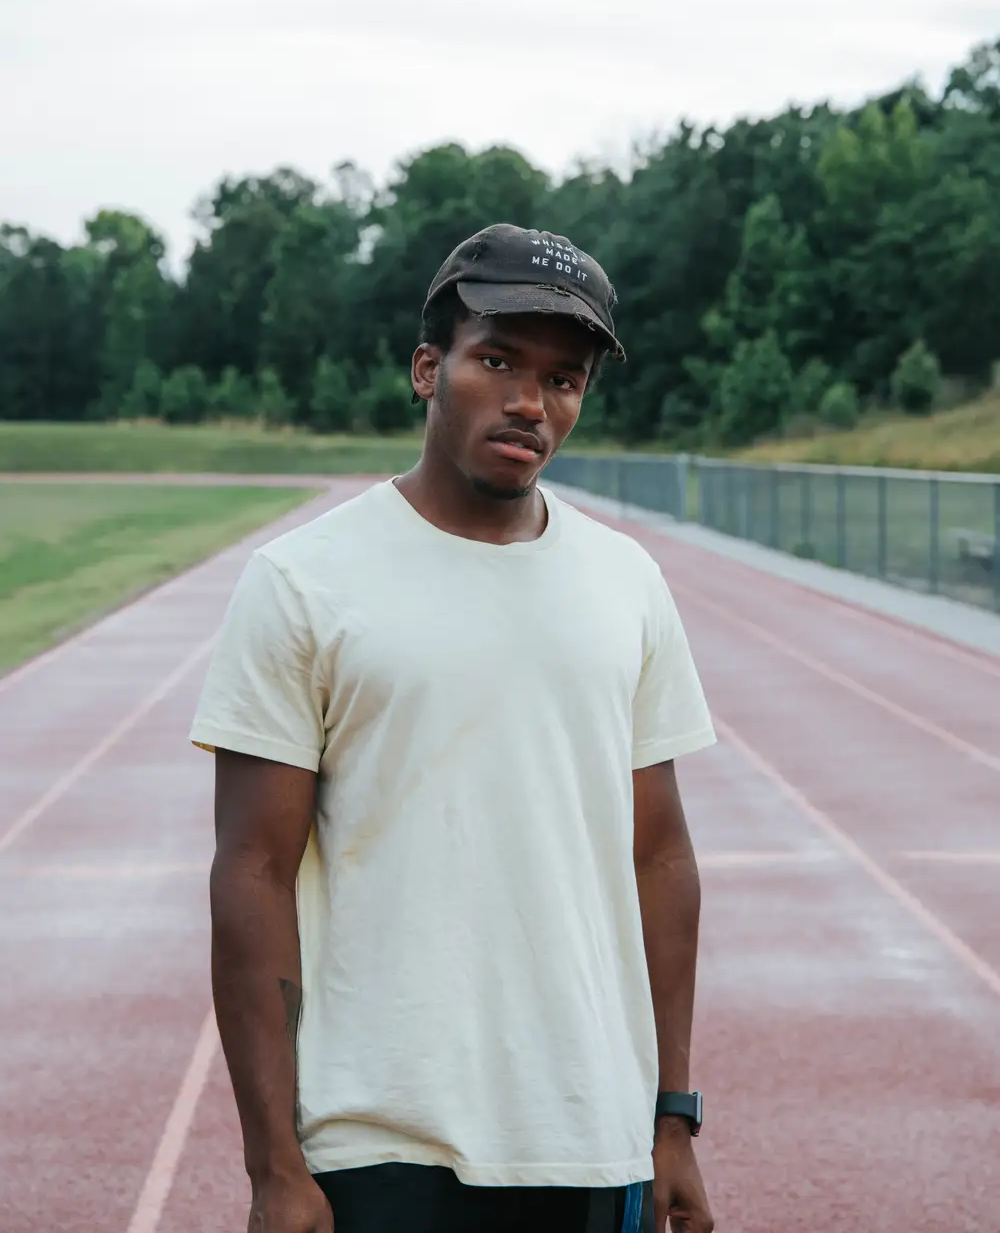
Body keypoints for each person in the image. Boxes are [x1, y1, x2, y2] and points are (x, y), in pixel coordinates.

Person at [192, 223, 717, 1233]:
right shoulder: (304, 581)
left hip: (588, 1129)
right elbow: (251, 870)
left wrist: (671, 1119)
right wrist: (273, 1163)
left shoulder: (628, 584)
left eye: (564, 379)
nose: (530, 402)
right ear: (429, 369)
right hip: (375, 1137)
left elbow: (659, 855)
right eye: (497, 361)